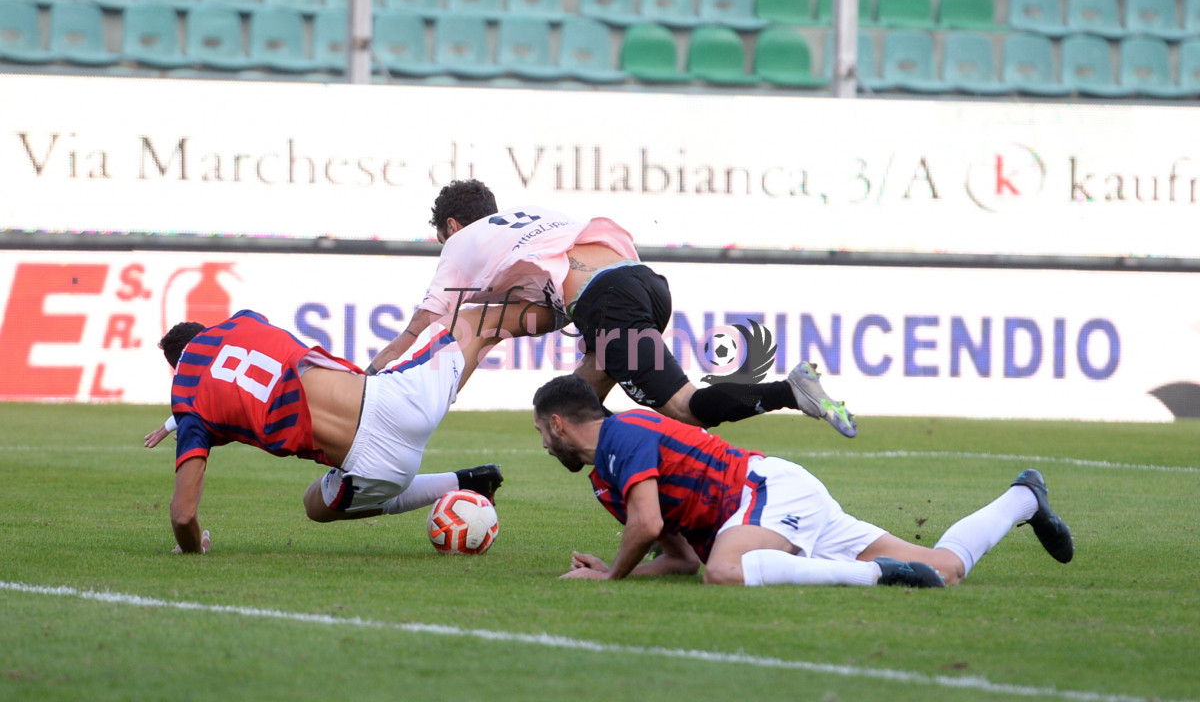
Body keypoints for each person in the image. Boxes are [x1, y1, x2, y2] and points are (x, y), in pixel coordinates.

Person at [368, 179, 857, 439]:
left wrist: (371, 381)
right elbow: (526, 315)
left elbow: (422, 329)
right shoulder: (529, 221)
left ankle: (788, 391)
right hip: (642, 283)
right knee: (570, 414)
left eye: (441, 237)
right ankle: (665, 514)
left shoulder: (463, 242)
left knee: (686, 409)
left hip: (609, 303)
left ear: (453, 226)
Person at [531, 374, 1074, 587]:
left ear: (558, 424)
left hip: (764, 494)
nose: (543, 445)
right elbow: (681, 558)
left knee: (727, 571)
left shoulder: (624, 433)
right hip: (767, 511)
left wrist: (613, 577)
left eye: (541, 432)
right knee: (946, 570)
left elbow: (648, 525)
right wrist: (619, 569)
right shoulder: (606, 482)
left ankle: (878, 576)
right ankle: (1022, 498)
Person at [144, 300, 553, 554]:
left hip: (382, 469)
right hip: (398, 399)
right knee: (483, 322)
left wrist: (193, 548)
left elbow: (183, 516)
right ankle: (576, 308)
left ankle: (461, 482)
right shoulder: (243, 320)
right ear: (208, 332)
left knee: (314, 505)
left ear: (176, 369)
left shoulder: (190, 400)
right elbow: (237, 367)